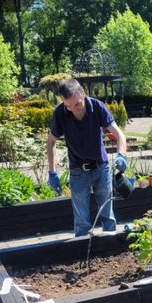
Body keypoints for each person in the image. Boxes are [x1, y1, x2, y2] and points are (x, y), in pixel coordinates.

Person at [46, 78, 128, 237]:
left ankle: (110, 250)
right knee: (81, 221)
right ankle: (82, 251)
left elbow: (120, 135)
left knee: (107, 215)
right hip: (78, 172)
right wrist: (52, 172)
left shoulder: (97, 107)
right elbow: (51, 142)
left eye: (77, 104)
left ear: (83, 94)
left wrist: (122, 156)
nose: (74, 110)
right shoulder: (61, 112)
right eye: (69, 106)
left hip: (101, 168)